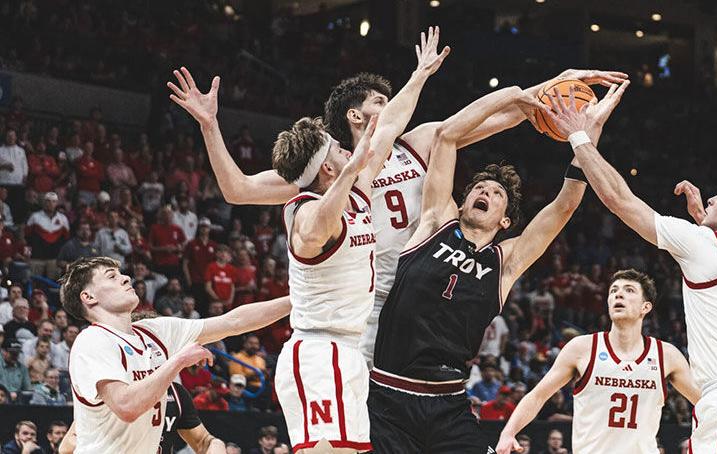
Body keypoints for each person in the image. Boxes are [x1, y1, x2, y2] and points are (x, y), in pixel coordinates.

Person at [167, 38, 627, 368]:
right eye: (379, 100)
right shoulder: (327, 173)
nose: (390, 105)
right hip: (364, 301)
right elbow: (239, 189)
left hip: (423, 289)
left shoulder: (419, 142)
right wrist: (210, 125)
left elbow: (508, 114)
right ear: (354, 115)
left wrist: (556, 88)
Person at [546, 81, 717, 454]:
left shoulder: (707, 245)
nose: (712, 197)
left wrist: (579, 137)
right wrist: (706, 223)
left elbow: (620, 199)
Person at [367, 80, 593, 453]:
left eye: (496, 193)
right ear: (462, 201)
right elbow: (446, 136)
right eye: (479, 188)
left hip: (448, 405)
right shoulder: (435, 222)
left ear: (505, 221)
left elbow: (565, 205)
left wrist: (586, 134)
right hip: (389, 396)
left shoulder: (505, 262)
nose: (485, 192)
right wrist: (511, 94)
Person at [59, 256, 291, 453]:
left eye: (121, 274)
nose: (126, 278)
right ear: (89, 297)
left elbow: (233, 322)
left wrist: (298, 300)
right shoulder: (93, 341)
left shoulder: (153, 331)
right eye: (111, 276)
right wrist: (178, 360)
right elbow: (127, 406)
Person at [496, 270, 700, 454]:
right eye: (614, 291)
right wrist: (508, 432)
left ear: (645, 307)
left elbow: (704, 402)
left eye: (629, 290)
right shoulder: (582, 348)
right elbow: (537, 396)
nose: (618, 295)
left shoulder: (666, 355)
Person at [59, 383, 227, 454]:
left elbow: (202, 442)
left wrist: (215, 444)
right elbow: (67, 446)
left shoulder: (176, 392)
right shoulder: (111, 388)